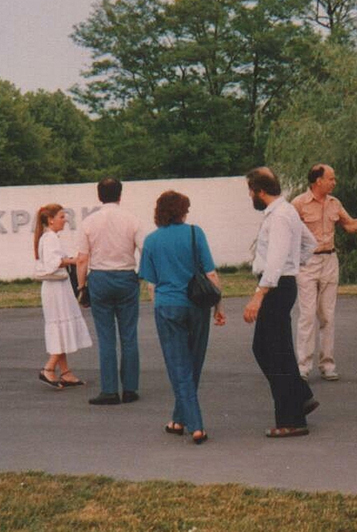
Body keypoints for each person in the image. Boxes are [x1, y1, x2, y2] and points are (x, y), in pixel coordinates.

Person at [139, 191, 226, 445]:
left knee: (178, 365)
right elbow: (211, 274)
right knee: (193, 361)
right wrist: (218, 306)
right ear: (182, 211)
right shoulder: (195, 233)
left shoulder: (151, 241)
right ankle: (181, 420)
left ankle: (193, 424)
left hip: (167, 305)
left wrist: (160, 308)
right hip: (197, 305)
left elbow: (150, 283)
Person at [244, 167, 319, 437]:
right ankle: (300, 396)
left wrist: (259, 294)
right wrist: (292, 265)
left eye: (250, 191)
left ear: (260, 191)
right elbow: (310, 244)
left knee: (273, 351)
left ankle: (292, 418)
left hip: (274, 286)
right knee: (269, 348)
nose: (250, 196)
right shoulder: (288, 211)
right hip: (282, 284)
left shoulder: (278, 217)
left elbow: (274, 260)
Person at [291, 164, 357, 381]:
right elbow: (288, 231)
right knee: (306, 315)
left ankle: (327, 364)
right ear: (318, 181)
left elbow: (350, 226)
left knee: (327, 316)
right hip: (307, 263)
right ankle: (303, 366)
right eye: (331, 178)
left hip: (330, 260)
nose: (335, 182)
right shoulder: (298, 204)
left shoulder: (335, 203)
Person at [76, 178, 145, 406]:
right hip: (126, 276)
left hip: (100, 278)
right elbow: (145, 249)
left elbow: (82, 258)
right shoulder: (132, 219)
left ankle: (109, 390)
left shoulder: (89, 222)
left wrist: (81, 285)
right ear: (120, 195)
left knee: (106, 337)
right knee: (129, 335)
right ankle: (130, 388)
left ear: (99, 195)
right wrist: (140, 275)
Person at [34, 204, 92, 390]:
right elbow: (54, 262)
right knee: (61, 325)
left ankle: (65, 372)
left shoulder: (49, 238)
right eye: (61, 216)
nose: (64, 219)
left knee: (62, 325)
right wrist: (74, 260)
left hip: (58, 287)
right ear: (50, 219)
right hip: (55, 289)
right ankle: (49, 368)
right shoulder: (49, 238)